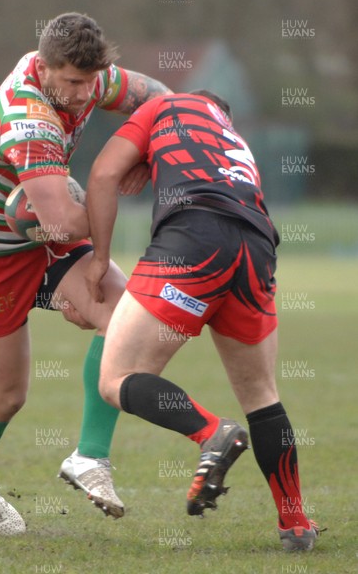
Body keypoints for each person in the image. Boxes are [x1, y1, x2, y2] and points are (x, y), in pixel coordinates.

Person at [0, 12, 171, 536]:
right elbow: (62, 219)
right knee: (7, 395)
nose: (85, 94)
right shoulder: (29, 116)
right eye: (72, 82)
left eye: (90, 81)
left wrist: (152, 152)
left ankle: (90, 458)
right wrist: (109, 179)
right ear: (43, 68)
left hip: (43, 231)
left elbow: (162, 99)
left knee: (125, 318)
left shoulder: (88, 76)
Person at [84, 90, 320, 551]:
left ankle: (212, 433)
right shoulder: (235, 142)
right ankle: (295, 523)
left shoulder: (167, 104)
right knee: (261, 395)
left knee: (115, 378)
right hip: (255, 250)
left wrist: (100, 258)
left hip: (192, 240)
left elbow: (103, 173)